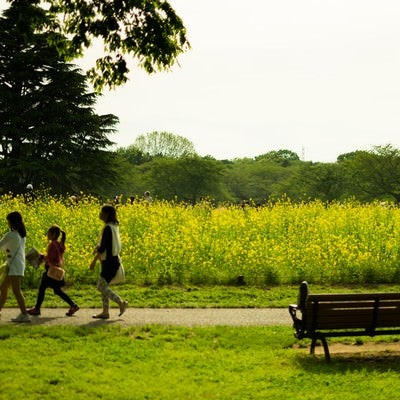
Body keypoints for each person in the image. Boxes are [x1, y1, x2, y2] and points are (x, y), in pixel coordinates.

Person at [27, 225, 79, 317]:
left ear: (53, 234)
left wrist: (41, 257)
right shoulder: (60, 244)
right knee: (57, 291)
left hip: (51, 271)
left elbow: (50, 260)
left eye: (48, 233)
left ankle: (37, 309)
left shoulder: (52, 245)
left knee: (42, 288)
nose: (47, 234)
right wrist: (44, 257)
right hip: (56, 271)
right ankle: (73, 305)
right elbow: (55, 257)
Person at [90, 204, 128, 319]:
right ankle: (105, 312)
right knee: (104, 286)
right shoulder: (114, 226)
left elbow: (103, 248)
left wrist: (95, 255)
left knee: (101, 287)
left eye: (101, 212)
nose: (100, 214)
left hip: (109, 262)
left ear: (106, 214)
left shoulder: (107, 228)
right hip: (113, 259)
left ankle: (121, 303)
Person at [0, 211, 30, 322]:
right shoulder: (21, 235)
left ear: (12, 222)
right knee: (3, 287)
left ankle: (24, 315)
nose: (7, 223)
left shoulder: (11, 234)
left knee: (16, 290)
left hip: (14, 266)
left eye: (8, 221)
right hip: (17, 264)